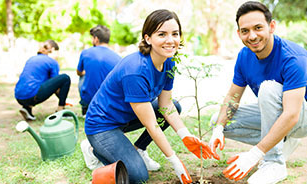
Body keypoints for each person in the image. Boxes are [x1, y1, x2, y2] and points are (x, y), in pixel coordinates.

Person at [82, 9, 214, 184]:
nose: (170, 40)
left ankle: (138, 149)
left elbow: (166, 105)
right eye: (162, 34)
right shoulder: (135, 70)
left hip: (126, 118)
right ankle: (94, 149)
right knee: (138, 176)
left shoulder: (169, 62)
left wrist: (185, 135)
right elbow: (151, 124)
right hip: (102, 126)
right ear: (147, 38)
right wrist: (174, 160)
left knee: (176, 106)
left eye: (175, 34)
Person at [208, 1, 307, 183]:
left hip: (306, 118)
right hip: (280, 114)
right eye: (245, 30)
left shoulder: (294, 57)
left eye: (258, 28)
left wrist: (254, 154)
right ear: (239, 33)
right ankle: (282, 141)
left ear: (272, 26)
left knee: (268, 88)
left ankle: (274, 163)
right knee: (219, 120)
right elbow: (232, 98)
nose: (252, 36)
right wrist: (218, 129)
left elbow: (292, 115)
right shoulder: (244, 56)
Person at [15, 40, 71, 121]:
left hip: (19, 96)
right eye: (57, 52)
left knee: (32, 86)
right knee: (65, 78)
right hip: (32, 96)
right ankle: (61, 111)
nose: (57, 55)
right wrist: (63, 98)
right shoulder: (52, 62)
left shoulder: (31, 59)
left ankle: (27, 109)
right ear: (51, 50)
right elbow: (57, 87)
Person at [77, 25, 122, 116]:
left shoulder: (86, 53)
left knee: (83, 76)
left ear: (96, 39)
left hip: (89, 101)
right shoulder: (118, 58)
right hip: (109, 102)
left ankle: (86, 108)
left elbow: (78, 72)